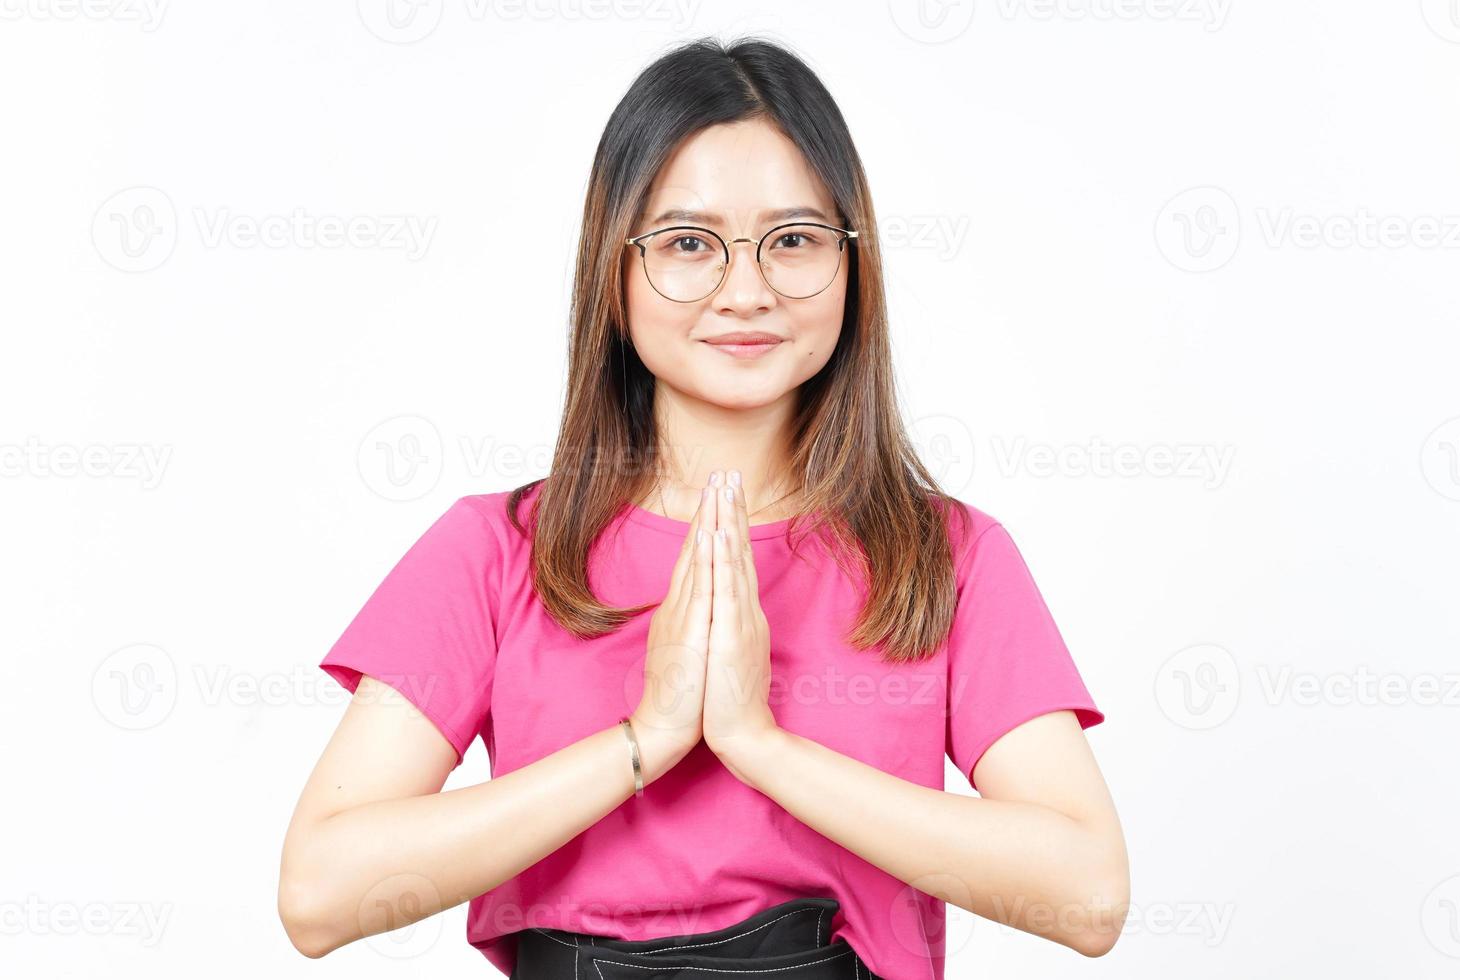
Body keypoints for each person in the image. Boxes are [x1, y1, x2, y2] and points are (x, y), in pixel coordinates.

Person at [277, 35, 1128, 980]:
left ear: (853, 265)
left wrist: (757, 745)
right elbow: (320, 895)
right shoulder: (499, 548)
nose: (747, 290)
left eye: (795, 240)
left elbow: (1086, 895)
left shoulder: (947, 556)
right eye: (689, 243)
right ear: (616, 271)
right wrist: (645, 740)